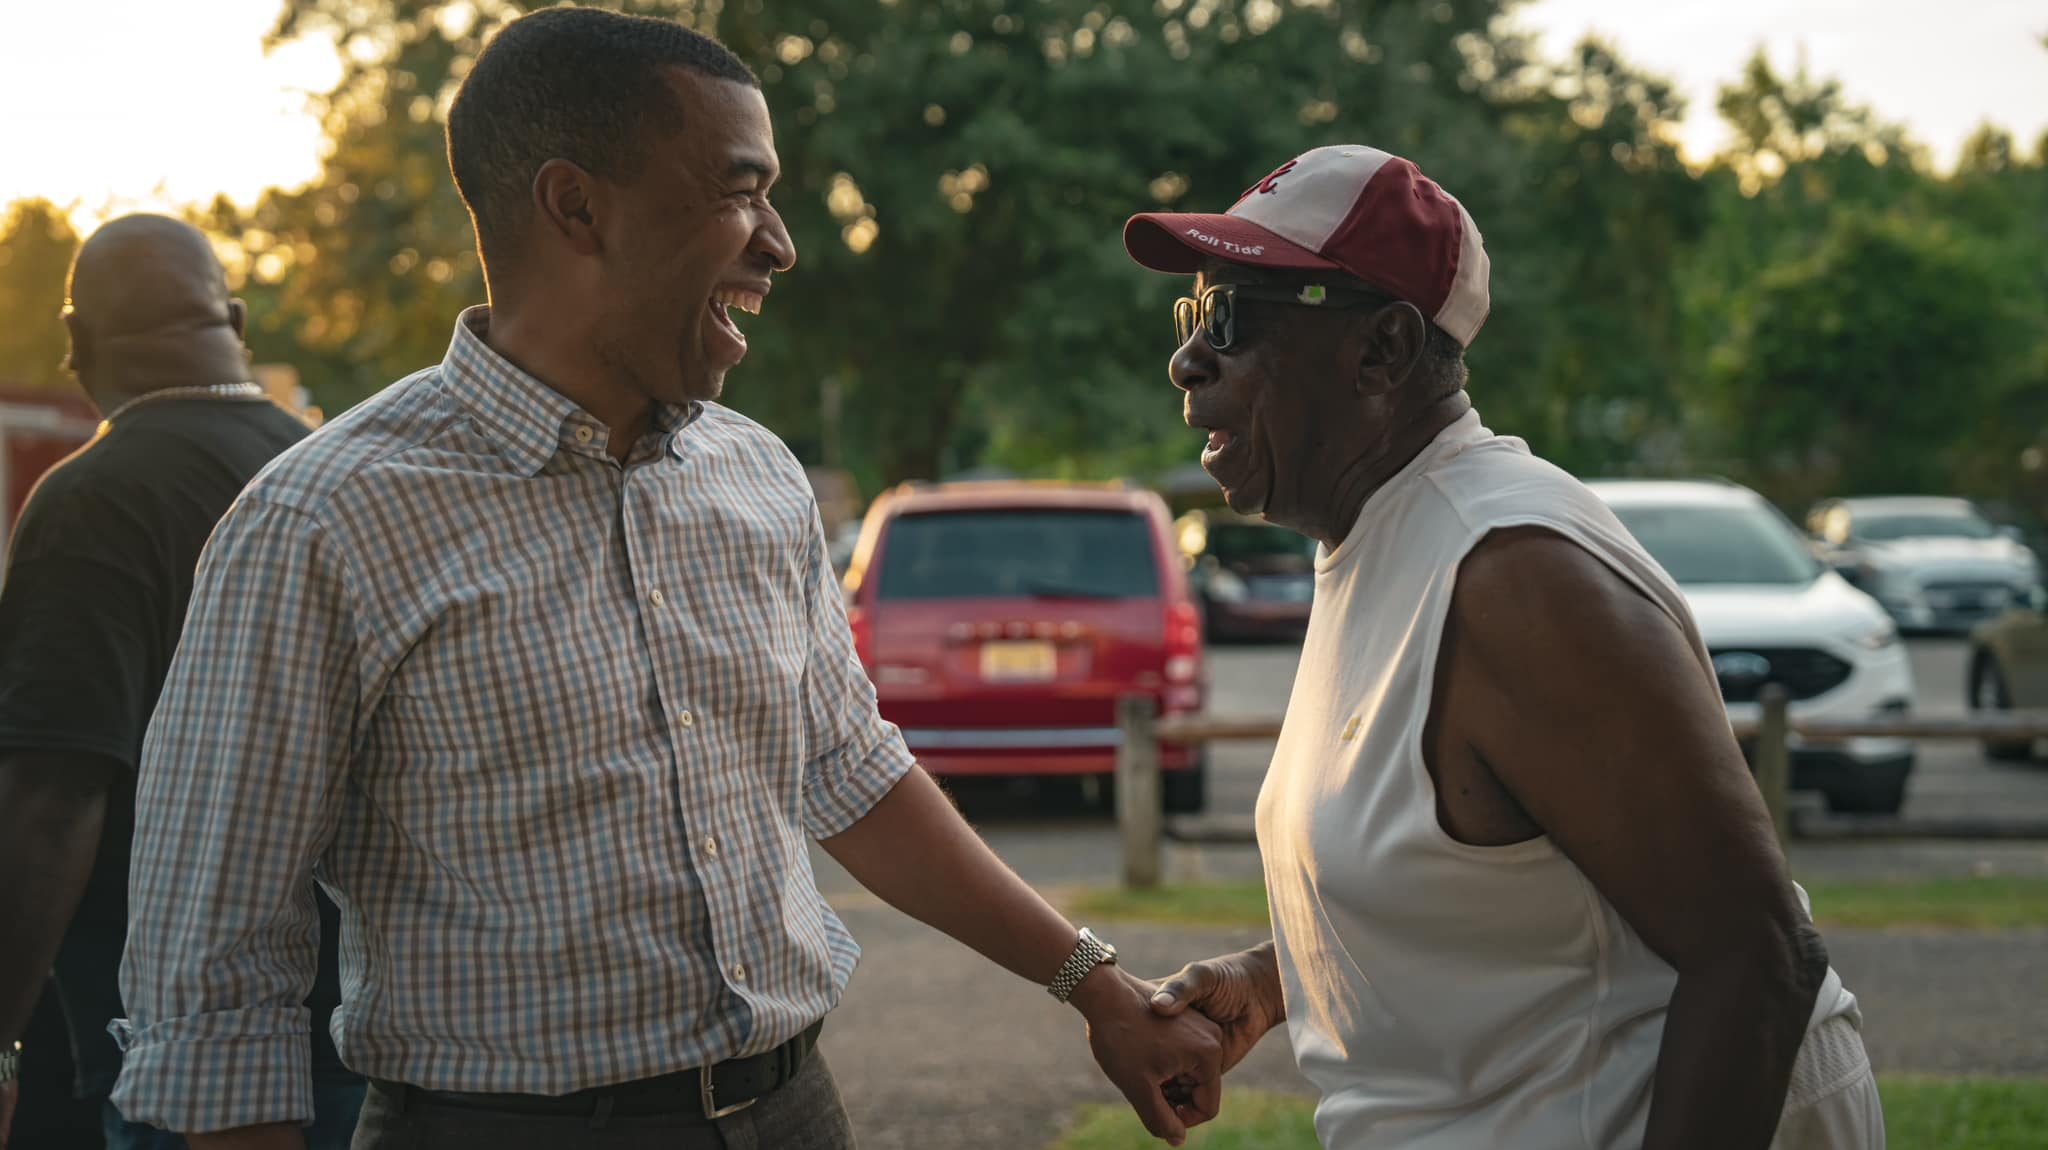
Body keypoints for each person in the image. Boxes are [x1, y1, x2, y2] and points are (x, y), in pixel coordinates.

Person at [109, 10, 1221, 1150]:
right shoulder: (321, 520)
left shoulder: (757, 479)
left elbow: (852, 774)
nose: (780, 242)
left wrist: (1098, 987)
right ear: (576, 206)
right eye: (740, 191)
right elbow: (215, 961)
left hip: (794, 1112)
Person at [1124, 146, 1883, 1149]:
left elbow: (1755, 957)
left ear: (1381, 352)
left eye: (1228, 320)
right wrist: (1273, 981)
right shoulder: (1376, 536)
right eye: (1191, 321)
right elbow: (1489, 880)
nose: (1187, 360)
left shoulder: (1513, 576)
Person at [0, 216, 364, 1149]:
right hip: (361, 1024)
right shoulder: (328, 471)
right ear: (235, 321)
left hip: (180, 1057)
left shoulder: (93, 498)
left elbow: (53, 793)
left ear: (75, 342)